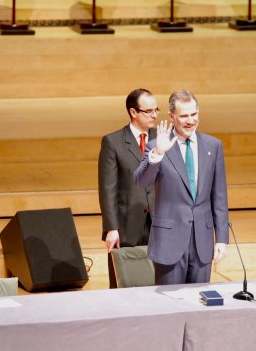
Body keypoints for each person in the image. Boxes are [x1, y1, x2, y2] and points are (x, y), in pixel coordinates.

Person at [134, 90, 229, 285]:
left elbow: (219, 196)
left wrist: (221, 238)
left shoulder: (213, 146)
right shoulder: (157, 145)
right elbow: (141, 182)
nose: (190, 120)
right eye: (184, 116)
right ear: (171, 116)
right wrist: (158, 153)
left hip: (202, 242)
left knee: (200, 303)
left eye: (194, 114)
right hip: (169, 242)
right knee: (169, 306)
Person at [98, 88, 158, 288]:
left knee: (158, 281)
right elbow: (108, 188)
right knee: (124, 283)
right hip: (126, 224)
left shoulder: (163, 138)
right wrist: (111, 228)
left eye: (156, 110)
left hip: (158, 221)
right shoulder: (113, 142)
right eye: (148, 111)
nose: (154, 115)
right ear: (133, 112)